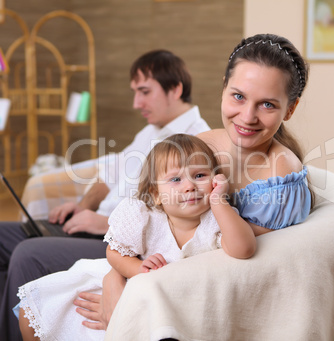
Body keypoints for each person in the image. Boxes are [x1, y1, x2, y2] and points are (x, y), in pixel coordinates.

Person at [74, 33, 314, 333]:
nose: (248, 116)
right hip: (148, 261)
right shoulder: (205, 143)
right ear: (223, 89)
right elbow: (159, 218)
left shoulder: (280, 174)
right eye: (238, 96)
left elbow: (235, 260)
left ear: (289, 109)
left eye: (267, 104)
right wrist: (116, 275)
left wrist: (129, 286)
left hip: (181, 292)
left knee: (33, 263)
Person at [0, 50, 211, 341]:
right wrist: (82, 206)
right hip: (94, 225)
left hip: (120, 239)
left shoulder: (197, 140)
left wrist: (101, 223)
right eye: (135, 92)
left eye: (145, 92)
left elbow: (177, 208)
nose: (137, 103)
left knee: (27, 254)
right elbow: (110, 172)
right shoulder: (151, 131)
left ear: (175, 89)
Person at [17, 134, 256, 341]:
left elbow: (243, 248)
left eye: (200, 175)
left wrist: (218, 201)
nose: (189, 186)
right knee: (34, 312)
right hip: (129, 282)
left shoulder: (216, 219)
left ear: (215, 181)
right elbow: (114, 252)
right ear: (156, 194)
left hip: (160, 305)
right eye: (175, 179)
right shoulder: (146, 216)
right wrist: (138, 267)